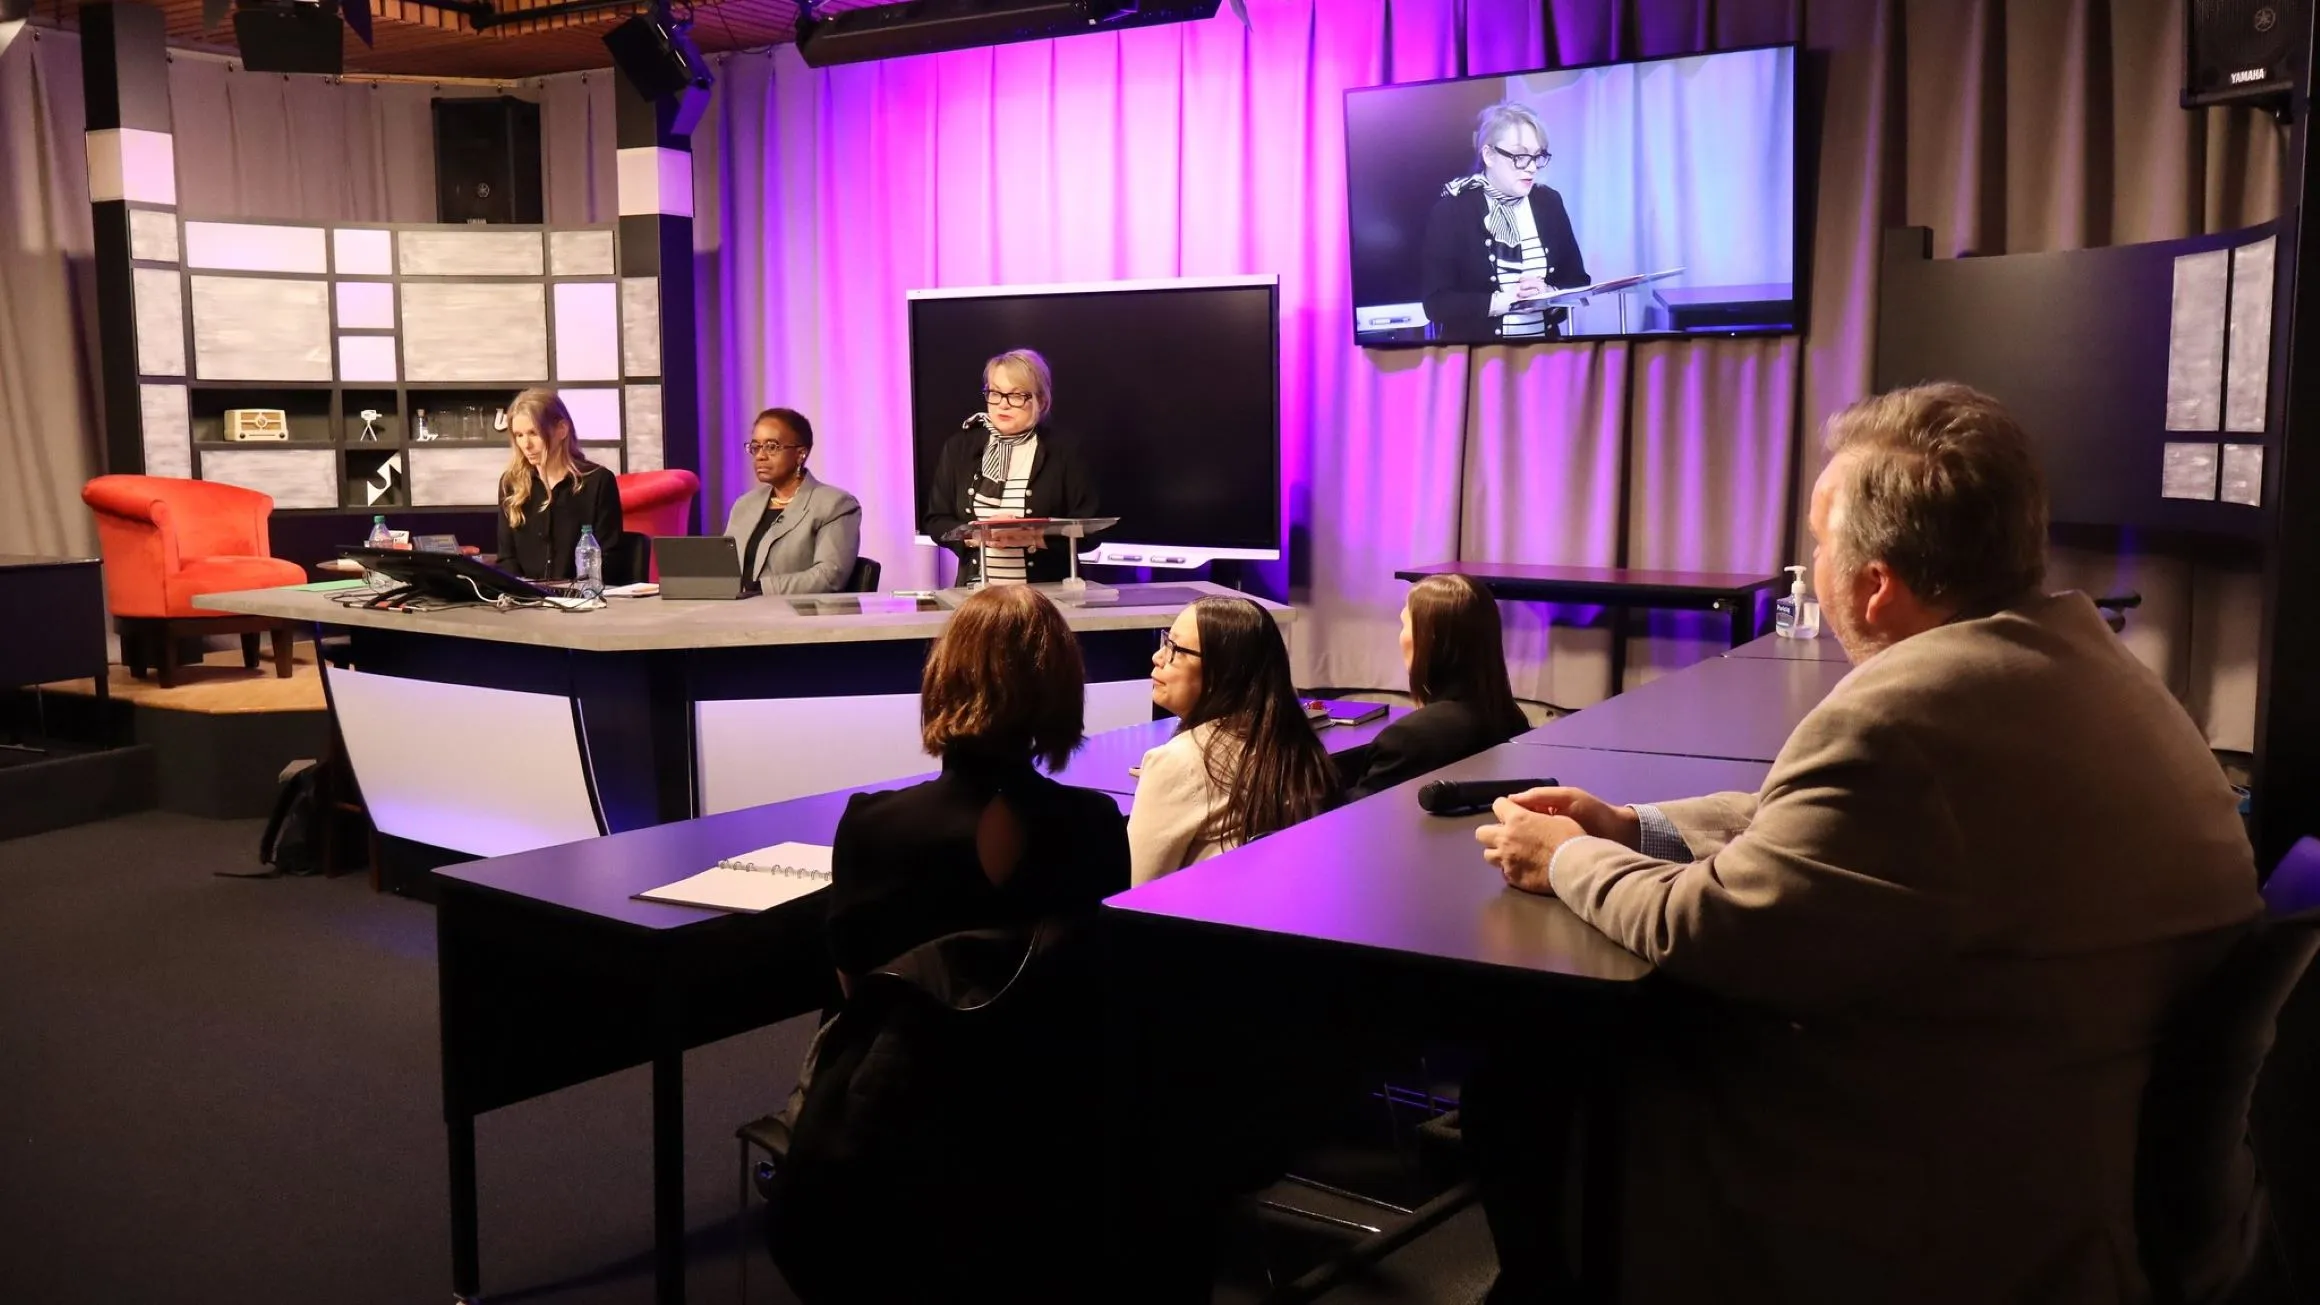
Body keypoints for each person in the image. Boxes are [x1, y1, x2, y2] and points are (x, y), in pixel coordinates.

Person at [1468, 383, 2263, 1305]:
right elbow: (1818, 826)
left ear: (1875, 583)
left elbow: (1713, 922)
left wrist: (1563, 855)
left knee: (1529, 1074)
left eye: (1819, 543)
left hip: (1946, 1190)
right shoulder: (2074, 657)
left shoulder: (1902, 718)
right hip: (2071, 1125)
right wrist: (1634, 825)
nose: (1813, 561)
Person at [771, 585, 1129, 1303]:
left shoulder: (872, 827)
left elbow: (859, 997)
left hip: (889, 1146)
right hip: (1053, 1142)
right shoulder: (1093, 824)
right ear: (1061, 687)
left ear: (943, 680)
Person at [1129, 596, 1336, 885]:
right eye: (1166, 641)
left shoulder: (1175, 762)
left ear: (1222, 672)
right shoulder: (1294, 746)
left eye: (1175, 648)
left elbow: (1138, 897)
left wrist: (1164, 779)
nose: (1158, 656)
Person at [919, 348, 1104, 586]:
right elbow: (936, 522)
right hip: (978, 597)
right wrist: (976, 536)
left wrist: (1032, 537)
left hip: (1044, 599)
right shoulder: (960, 448)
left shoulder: (1065, 452)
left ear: (1042, 400)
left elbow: (1092, 532)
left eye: (1016, 396)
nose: (1002, 405)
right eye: (995, 393)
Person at [1338, 573, 1530, 801]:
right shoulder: (1512, 718)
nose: (1400, 637)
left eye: (1404, 624)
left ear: (1429, 639)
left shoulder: (1406, 739)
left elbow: (1353, 817)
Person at [1419, 101, 1590, 342]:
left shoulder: (1549, 202)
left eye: (1537, 156)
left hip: (1546, 353)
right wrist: (1500, 302)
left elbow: (1577, 280)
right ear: (1488, 155)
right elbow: (1436, 304)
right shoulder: (1452, 210)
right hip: (1481, 360)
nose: (1531, 168)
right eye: (1520, 156)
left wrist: (1549, 296)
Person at [720, 408, 862, 595]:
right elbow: (724, 568)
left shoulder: (836, 505)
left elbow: (829, 576)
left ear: (800, 454)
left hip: (793, 618)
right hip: (736, 614)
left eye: (771, 447)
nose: (760, 456)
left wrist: (762, 589)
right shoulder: (745, 505)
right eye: (755, 447)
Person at [494, 388, 623, 581]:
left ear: (561, 430)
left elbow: (609, 558)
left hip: (581, 600)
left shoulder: (598, 481)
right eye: (519, 435)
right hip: (526, 603)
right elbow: (506, 558)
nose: (526, 444)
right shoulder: (511, 484)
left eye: (533, 433)